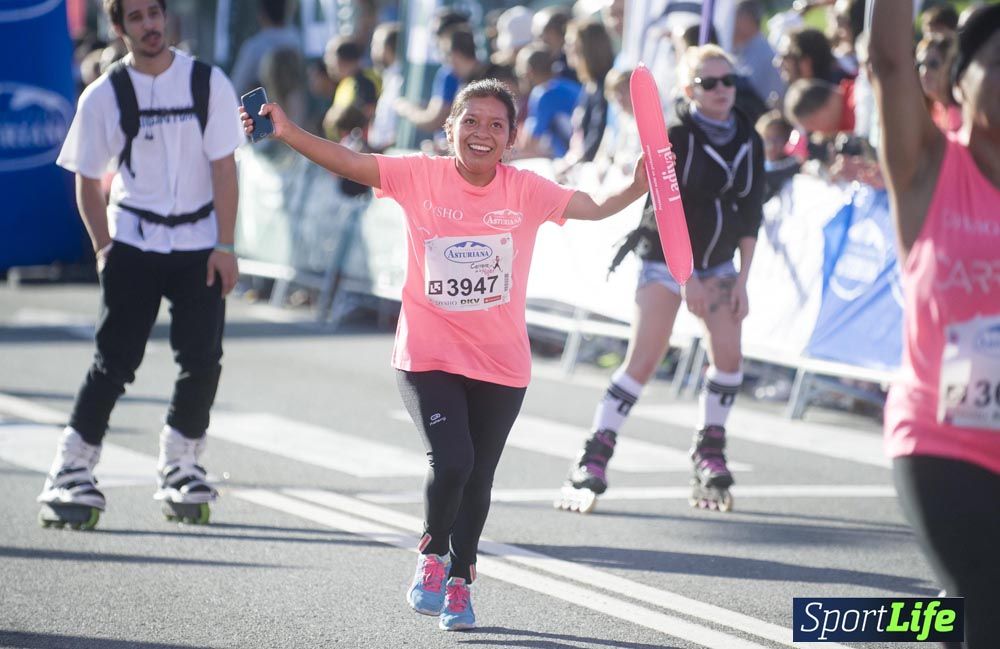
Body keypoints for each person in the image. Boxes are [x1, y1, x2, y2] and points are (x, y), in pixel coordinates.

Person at [241, 78, 647, 630]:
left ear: (510, 139)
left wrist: (638, 186)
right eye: (472, 121)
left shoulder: (525, 189)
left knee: (478, 478)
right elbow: (350, 161)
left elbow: (595, 206)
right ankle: (431, 556)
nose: (482, 133)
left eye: (496, 125)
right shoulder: (419, 175)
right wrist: (287, 132)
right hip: (427, 355)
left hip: (502, 364)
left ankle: (461, 581)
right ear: (449, 128)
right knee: (452, 460)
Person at [37, 0, 243, 529]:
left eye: (155, 13)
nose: (150, 25)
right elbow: (86, 177)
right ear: (118, 27)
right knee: (114, 363)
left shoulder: (206, 82)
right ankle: (70, 469)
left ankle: (181, 463)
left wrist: (225, 245)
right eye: (136, 17)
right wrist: (105, 249)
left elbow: (224, 167)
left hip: (199, 242)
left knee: (202, 359)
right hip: (134, 238)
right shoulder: (104, 94)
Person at [564, 44, 764, 513]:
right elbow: (664, 209)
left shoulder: (748, 139)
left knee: (729, 356)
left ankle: (709, 451)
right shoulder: (676, 135)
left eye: (727, 81)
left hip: (719, 264)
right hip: (666, 258)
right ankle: (594, 454)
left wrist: (743, 279)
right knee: (644, 360)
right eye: (708, 83)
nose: (721, 91)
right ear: (688, 89)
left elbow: (751, 213)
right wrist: (684, 276)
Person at [868, 3, 1000, 648]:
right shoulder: (928, 170)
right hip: (945, 443)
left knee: (969, 605)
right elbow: (890, 63)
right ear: (958, 81)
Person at [228, 0, 300, 95]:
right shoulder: (296, 41)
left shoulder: (254, 47)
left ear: (262, 14)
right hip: (296, 107)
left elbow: (236, 88)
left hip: (265, 106)